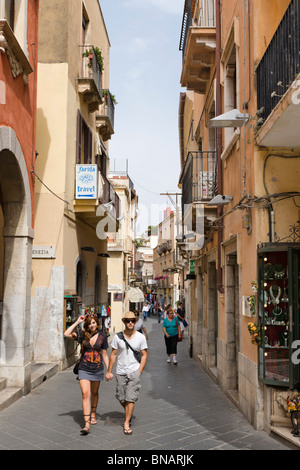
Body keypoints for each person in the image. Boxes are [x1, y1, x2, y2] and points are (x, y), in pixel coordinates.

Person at [64, 314, 109, 435]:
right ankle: (86, 424)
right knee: (85, 394)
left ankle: (93, 413)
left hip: (97, 368)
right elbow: (66, 334)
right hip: (84, 368)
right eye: (89, 323)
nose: (91, 325)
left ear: (97, 323)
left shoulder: (103, 336)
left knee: (94, 393)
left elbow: (104, 354)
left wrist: (109, 371)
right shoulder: (82, 335)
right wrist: (77, 322)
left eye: (93, 323)